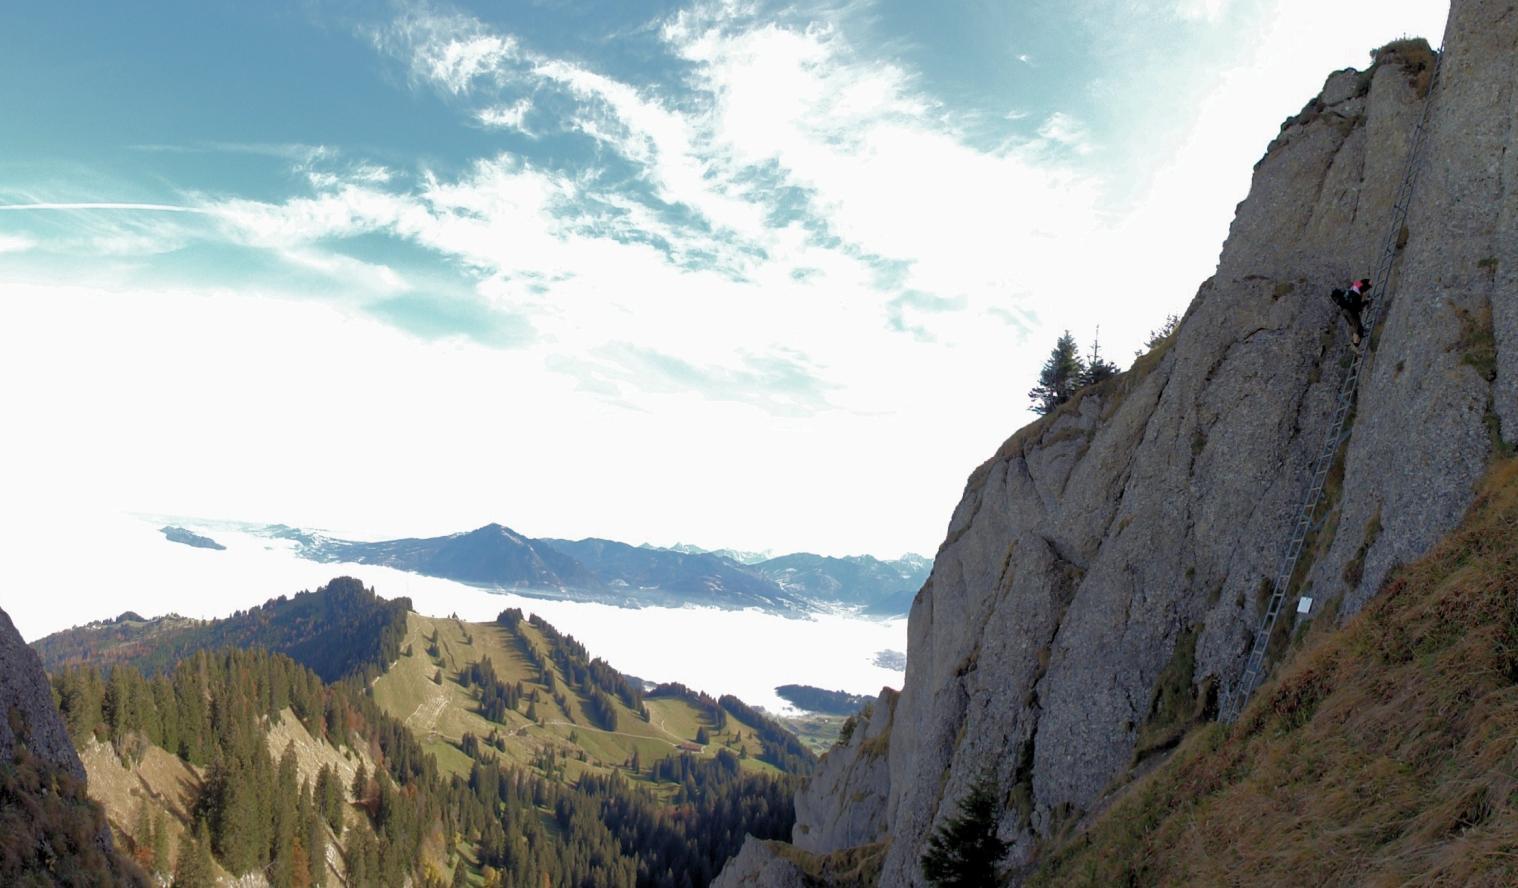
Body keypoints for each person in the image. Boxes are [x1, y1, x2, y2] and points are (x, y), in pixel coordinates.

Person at [1329, 278, 1373, 347]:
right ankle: (1355, 344)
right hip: (1349, 310)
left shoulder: (1354, 288)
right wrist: (1366, 302)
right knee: (1356, 326)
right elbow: (1357, 308)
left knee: (1356, 324)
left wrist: (1365, 303)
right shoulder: (1356, 294)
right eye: (1368, 288)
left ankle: (1359, 336)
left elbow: (1357, 307)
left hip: (1346, 309)